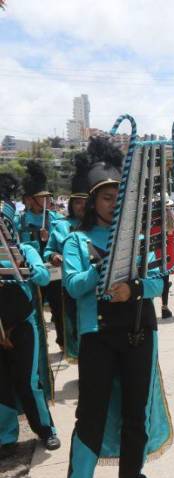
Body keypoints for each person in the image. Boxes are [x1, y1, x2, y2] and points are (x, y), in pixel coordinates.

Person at [62, 136, 173, 478]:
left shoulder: (142, 241)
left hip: (139, 334)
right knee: (89, 415)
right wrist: (103, 269)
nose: (114, 203)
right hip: (98, 336)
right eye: (107, 198)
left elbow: (161, 281)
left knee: (134, 414)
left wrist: (136, 288)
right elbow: (73, 286)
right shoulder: (76, 240)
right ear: (92, 202)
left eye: (118, 196)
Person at [0, 176, 60, 459]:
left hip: (22, 325)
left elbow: (44, 275)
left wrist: (25, 268)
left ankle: (46, 429)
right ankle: (6, 437)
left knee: (28, 381)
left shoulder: (26, 250)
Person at [44, 153, 89, 360]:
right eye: (77, 202)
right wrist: (53, 256)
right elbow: (48, 250)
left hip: (91, 285)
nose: (81, 206)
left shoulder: (97, 226)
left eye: (85, 202)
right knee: (71, 324)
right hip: (68, 285)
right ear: (71, 203)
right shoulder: (60, 225)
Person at [19, 161, 66, 347]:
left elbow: (64, 243)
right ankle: (40, 345)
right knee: (34, 311)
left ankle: (63, 341)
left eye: (48, 197)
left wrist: (49, 241)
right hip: (33, 273)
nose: (47, 200)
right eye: (42, 197)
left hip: (54, 271)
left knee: (59, 308)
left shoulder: (57, 219)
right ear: (30, 199)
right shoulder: (20, 220)